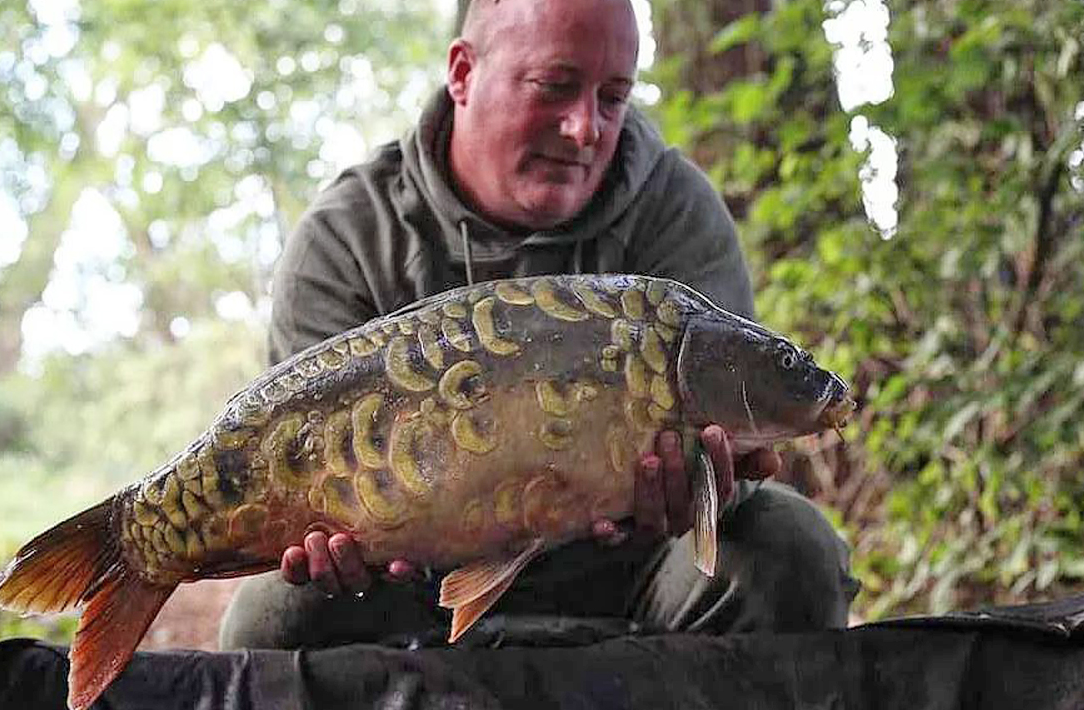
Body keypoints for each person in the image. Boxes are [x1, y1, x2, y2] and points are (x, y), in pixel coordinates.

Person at [219, 0, 858, 650]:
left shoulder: (674, 209)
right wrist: (325, 540)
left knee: (792, 548)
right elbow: (294, 472)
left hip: (634, 570)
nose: (585, 128)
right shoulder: (346, 237)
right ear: (463, 74)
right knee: (269, 617)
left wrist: (705, 488)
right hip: (404, 582)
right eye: (555, 87)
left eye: (613, 98)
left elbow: (738, 461)